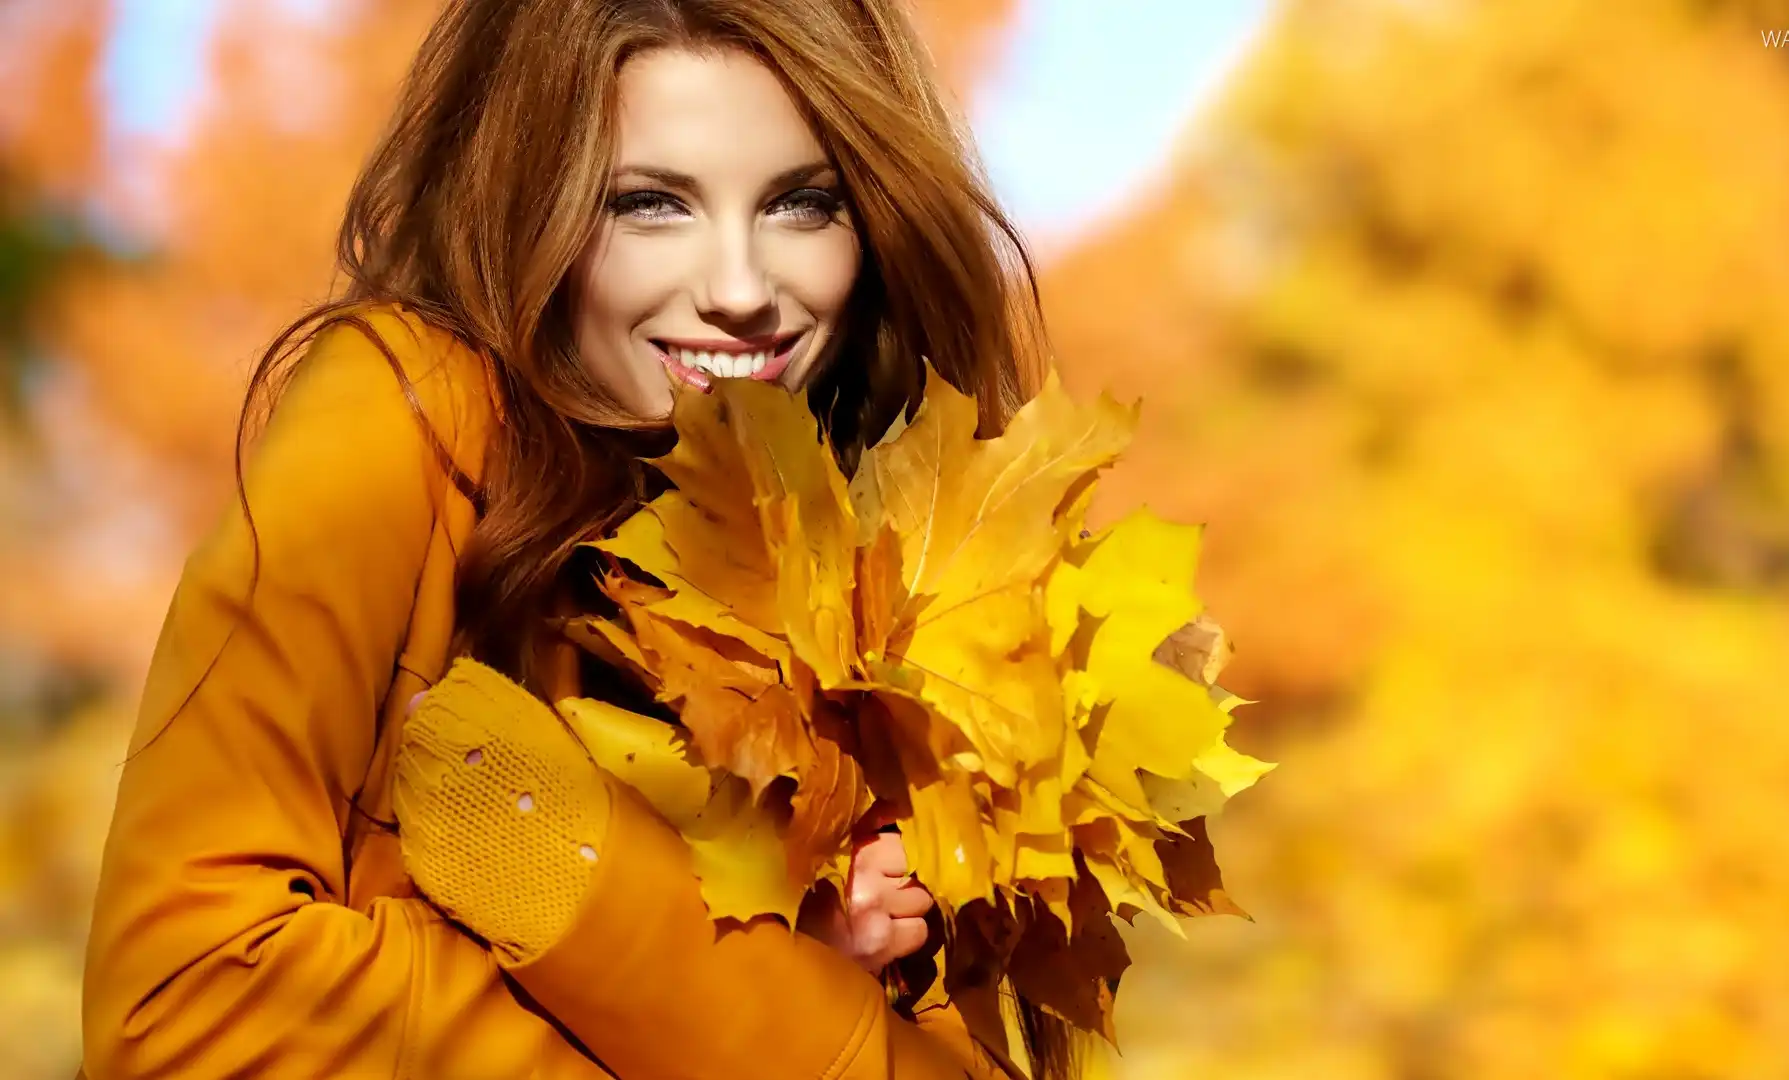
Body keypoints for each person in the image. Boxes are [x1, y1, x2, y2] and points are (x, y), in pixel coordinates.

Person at [78, 1, 1076, 1077]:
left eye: (801, 204)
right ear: (530, 203)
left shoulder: (870, 547)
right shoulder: (406, 415)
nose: (741, 292)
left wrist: (770, 949)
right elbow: (182, 1006)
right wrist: (669, 946)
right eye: (649, 204)